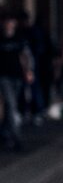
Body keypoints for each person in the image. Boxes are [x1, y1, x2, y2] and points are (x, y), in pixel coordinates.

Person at [0, 10, 34, 151]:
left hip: (17, 75)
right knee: (11, 104)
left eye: (11, 22)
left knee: (11, 107)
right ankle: (17, 138)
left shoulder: (19, 38)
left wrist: (28, 71)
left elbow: (25, 55)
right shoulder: (0, 38)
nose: (9, 24)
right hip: (3, 76)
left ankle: (5, 133)